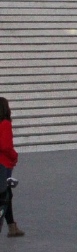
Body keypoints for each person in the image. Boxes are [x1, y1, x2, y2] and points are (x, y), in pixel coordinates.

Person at [0, 97, 22, 237]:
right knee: (4, 195)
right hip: (3, 163)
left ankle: (12, 226)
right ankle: (11, 226)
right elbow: (5, 146)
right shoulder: (5, 124)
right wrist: (14, 156)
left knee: (7, 193)